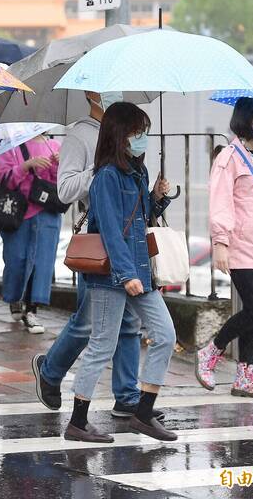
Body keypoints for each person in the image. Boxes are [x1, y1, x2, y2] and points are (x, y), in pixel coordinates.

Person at [31, 91, 163, 421]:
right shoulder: (80, 135)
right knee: (91, 325)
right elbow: (64, 190)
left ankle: (127, 396)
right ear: (91, 93)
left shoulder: (128, 133)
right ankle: (50, 370)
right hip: (102, 246)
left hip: (127, 242)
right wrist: (105, 168)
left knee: (127, 324)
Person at [65, 101, 176, 443]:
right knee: (102, 344)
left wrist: (157, 198)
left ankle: (144, 411)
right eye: (136, 132)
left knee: (166, 334)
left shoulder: (137, 173)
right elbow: (111, 230)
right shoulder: (106, 177)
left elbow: (142, 219)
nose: (141, 138)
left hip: (139, 270)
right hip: (111, 274)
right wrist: (126, 274)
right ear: (119, 134)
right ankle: (78, 422)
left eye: (144, 132)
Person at [197, 97, 253, 399]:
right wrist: (220, 242)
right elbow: (220, 202)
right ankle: (212, 350)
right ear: (244, 121)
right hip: (239, 244)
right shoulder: (228, 157)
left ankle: (246, 375)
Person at [0, 133, 63, 333]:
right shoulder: (11, 146)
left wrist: (61, 165)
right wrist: (26, 166)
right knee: (16, 260)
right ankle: (15, 297)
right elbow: (4, 179)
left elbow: (64, 183)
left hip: (48, 212)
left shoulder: (55, 145)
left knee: (42, 263)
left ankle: (32, 309)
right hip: (18, 213)